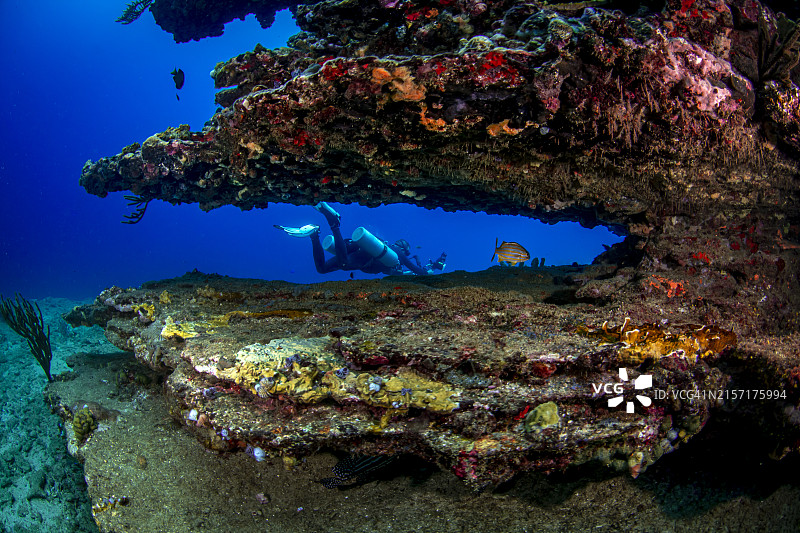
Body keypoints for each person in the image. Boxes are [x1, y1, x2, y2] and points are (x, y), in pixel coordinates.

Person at [275, 202, 447, 276]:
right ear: (403, 248)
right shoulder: (395, 253)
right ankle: (334, 223)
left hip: (352, 246)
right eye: (406, 250)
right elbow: (416, 270)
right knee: (343, 264)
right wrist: (426, 274)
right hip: (361, 256)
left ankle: (313, 235)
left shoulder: (388, 248)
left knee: (322, 269)